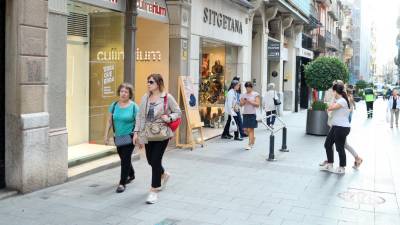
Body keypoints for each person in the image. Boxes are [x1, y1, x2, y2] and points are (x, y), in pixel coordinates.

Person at [133, 74, 181, 204]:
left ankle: (154, 190)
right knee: (150, 160)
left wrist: (169, 118)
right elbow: (139, 116)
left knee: (155, 160)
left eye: (151, 82)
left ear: (158, 83)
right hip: (147, 133)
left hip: (162, 134)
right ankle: (164, 174)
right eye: (147, 82)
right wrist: (136, 132)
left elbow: (178, 111)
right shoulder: (145, 97)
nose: (148, 84)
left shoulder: (167, 97)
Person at [104, 83, 139, 193]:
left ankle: (122, 183)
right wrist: (105, 135)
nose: (123, 94)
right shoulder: (114, 105)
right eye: (122, 91)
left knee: (125, 159)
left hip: (130, 136)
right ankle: (131, 174)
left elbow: (139, 122)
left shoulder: (134, 106)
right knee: (124, 158)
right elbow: (109, 121)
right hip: (118, 137)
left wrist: (137, 135)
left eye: (126, 92)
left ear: (130, 94)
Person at [320, 83, 351, 174]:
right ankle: (330, 164)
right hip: (336, 126)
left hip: (342, 127)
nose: (331, 93)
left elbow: (330, 108)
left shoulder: (342, 101)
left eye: (332, 91)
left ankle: (342, 167)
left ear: (335, 91)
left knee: (339, 147)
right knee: (328, 144)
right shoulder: (339, 100)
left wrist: (333, 99)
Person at [240, 81, 260, 150]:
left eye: (249, 87)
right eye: (246, 87)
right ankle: (252, 138)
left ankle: (250, 144)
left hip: (252, 114)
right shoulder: (243, 95)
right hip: (245, 113)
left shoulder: (255, 94)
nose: (248, 89)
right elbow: (241, 104)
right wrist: (244, 102)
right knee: (245, 130)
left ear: (252, 87)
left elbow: (257, 104)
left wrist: (250, 101)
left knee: (251, 129)